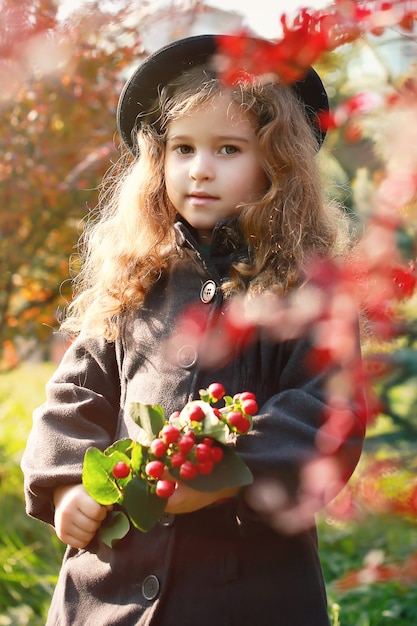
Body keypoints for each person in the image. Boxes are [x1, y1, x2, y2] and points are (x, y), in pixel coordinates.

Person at [21, 33, 366, 626]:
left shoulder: (304, 288)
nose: (199, 171)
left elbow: (327, 408)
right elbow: (76, 392)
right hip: (113, 582)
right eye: (182, 149)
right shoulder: (137, 278)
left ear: (275, 162)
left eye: (228, 149)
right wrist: (68, 486)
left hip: (245, 588)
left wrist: (229, 472)